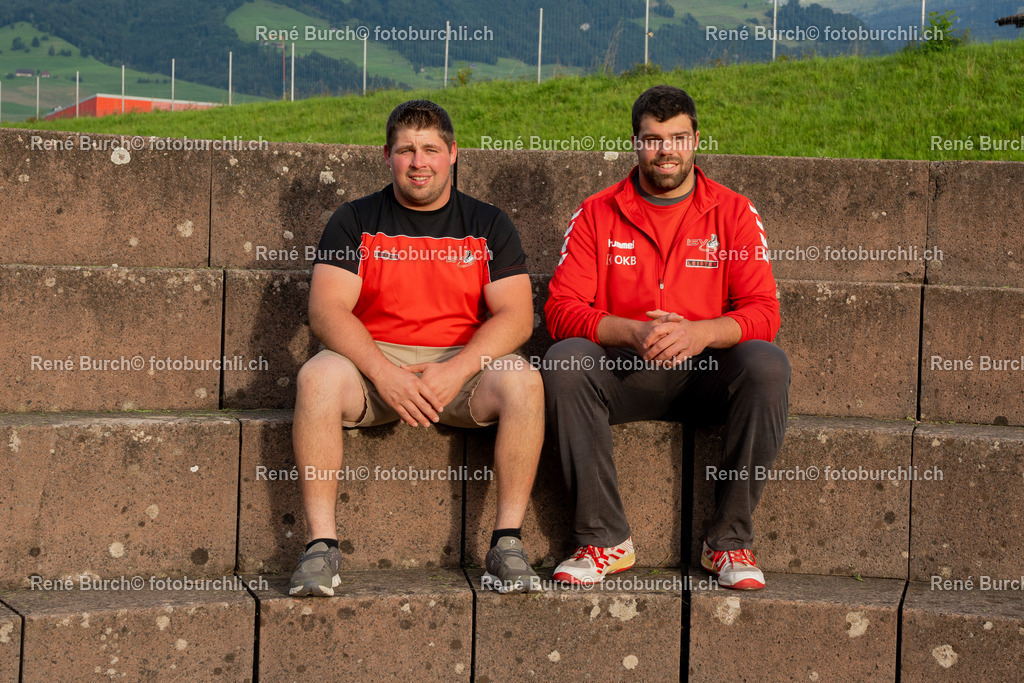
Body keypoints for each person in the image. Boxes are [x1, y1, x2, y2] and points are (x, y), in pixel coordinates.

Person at [289, 100, 544, 596]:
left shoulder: (488, 223)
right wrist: (384, 373)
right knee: (316, 377)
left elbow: (518, 317)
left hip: (462, 366)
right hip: (371, 364)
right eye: (406, 150)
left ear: (453, 153)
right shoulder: (354, 219)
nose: (418, 161)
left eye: (430, 149)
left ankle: (507, 543)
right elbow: (326, 312)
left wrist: (457, 370)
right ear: (386, 156)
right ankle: (320, 547)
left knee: (525, 381)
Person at [542, 85, 790, 590]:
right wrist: (630, 331)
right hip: (625, 372)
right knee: (566, 359)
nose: (666, 150)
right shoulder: (597, 210)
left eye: (677, 137)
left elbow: (764, 312)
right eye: (654, 139)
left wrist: (701, 333)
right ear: (635, 143)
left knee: (767, 363)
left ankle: (729, 542)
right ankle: (603, 539)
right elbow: (561, 311)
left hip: (705, 375)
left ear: (696, 139)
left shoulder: (734, 211)